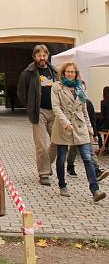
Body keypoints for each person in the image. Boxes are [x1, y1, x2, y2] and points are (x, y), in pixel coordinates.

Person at [51, 62, 106, 202]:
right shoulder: (57, 87)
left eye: (72, 72)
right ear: (63, 73)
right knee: (62, 157)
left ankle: (95, 190)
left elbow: (84, 109)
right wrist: (65, 122)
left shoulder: (80, 87)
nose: (70, 74)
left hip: (80, 125)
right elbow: (56, 108)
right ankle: (62, 185)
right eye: (67, 72)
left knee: (87, 157)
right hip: (64, 126)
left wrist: (89, 126)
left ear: (76, 74)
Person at [17, 44, 58, 186]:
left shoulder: (54, 72)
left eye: (44, 55)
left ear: (48, 56)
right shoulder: (28, 73)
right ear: (34, 57)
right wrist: (30, 107)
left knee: (57, 142)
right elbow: (21, 93)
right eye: (39, 55)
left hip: (54, 112)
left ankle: (46, 164)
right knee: (41, 145)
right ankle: (44, 173)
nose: (42, 58)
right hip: (39, 112)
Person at [66, 95, 108, 182]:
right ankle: (70, 166)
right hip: (74, 129)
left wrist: (94, 133)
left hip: (85, 130)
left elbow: (92, 118)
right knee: (74, 148)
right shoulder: (69, 101)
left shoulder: (88, 103)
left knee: (90, 151)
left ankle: (96, 170)